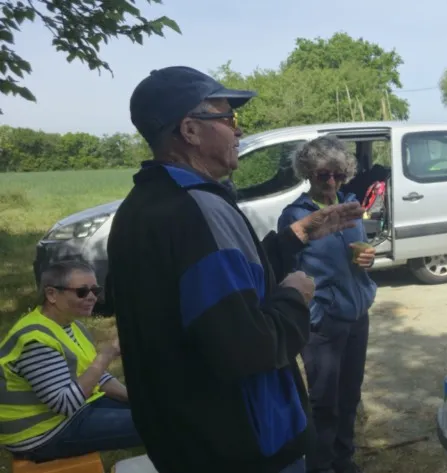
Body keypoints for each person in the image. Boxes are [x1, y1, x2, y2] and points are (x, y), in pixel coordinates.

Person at [106, 66, 364, 473]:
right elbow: (249, 346)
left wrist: (295, 237)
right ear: (190, 130)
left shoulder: (143, 205)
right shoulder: (196, 210)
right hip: (241, 447)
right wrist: (295, 297)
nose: (238, 130)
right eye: (228, 117)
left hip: (185, 440)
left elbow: (225, 286)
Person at [277, 136, 377, 473]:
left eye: (338, 174)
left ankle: (343, 459)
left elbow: (361, 253)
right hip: (323, 323)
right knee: (324, 403)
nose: (331, 182)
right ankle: (321, 466)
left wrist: (368, 260)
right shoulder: (296, 216)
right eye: (323, 175)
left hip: (357, 315)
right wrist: (315, 314)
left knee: (350, 396)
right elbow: (287, 272)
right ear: (308, 173)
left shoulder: (350, 206)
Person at [0, 261, 142, 462]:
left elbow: (97, 377)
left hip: (74, 411)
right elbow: (65, 404)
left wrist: (137, 399)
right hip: (42, 435)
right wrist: (106, 355)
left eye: (95, 290)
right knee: (159, 424)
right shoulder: (35, 340)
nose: (92, 297)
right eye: (82, 292)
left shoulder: (71, 326)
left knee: (155, 410)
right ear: (51, 294)